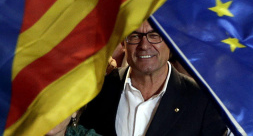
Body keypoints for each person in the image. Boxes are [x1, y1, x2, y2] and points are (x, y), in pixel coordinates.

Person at [80, 20, 228, 136]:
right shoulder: (100, 89)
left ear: (170, 41)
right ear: (123, 43)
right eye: (134, 36)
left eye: (154, 35)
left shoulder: (203, 101)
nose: (144, 45)